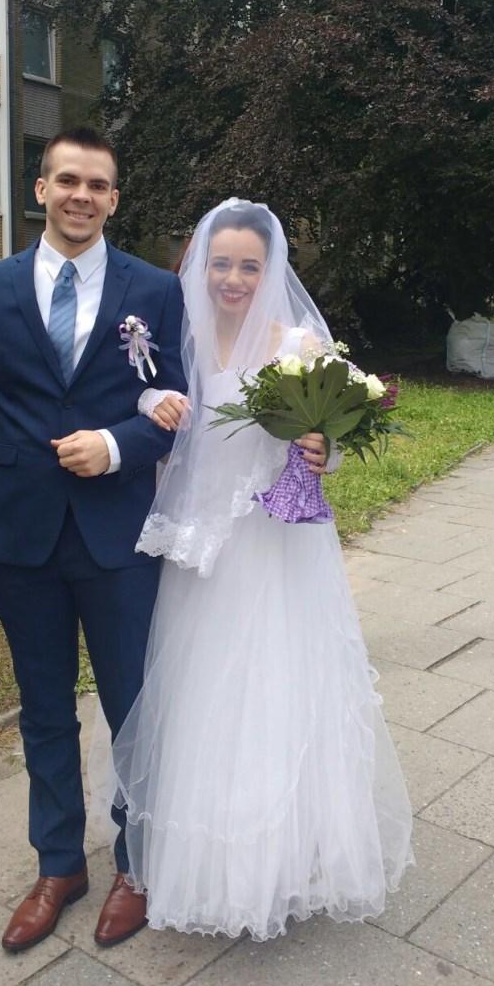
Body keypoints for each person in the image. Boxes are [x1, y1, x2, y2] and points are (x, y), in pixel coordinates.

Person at [111, 198, 414, 940]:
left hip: (272, 546)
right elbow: (142, 401)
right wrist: (151, 399)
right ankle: (202, 856)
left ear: (270, 270)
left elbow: (328, 441)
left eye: (249, 265)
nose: (233, 278)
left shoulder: (298, 346)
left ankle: (276, 857)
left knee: (274, 688)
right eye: (221, 263)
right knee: (200, 693)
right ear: (199, 265)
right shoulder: (178, 340)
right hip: (197, 548)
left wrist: (322, 450)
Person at [0, 126, 186, 952]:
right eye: (68, 179)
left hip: (119, 534)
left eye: (98, 184)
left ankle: (137, 861)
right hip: (21, 536)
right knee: (43, 709)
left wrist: (115, 445)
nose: (82, 194)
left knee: (133, 710)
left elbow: (174, 402)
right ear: (40, 189)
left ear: (114, 199)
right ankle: (58, 864)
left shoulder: (154, 289)